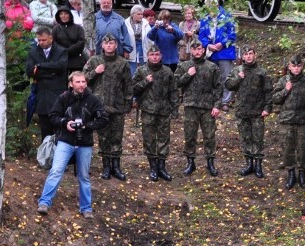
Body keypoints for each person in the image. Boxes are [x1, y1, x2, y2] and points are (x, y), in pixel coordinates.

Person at [36, 71, 109, 219]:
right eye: (78, 82)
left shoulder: (93, 100)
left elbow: (104, 119)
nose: (81, 85)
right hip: (65, 140)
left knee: (84, 176)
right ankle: (44, 202)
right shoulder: (64, 98)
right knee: (56, 171)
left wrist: (87, 126)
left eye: (83, 82)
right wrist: (65, 122)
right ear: (71, 83)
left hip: (85, 143)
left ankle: (86, 208)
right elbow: (53, 116)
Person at [84, 32, 132, 181]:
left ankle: (116, 166)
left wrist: (128, 103)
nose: (109, 45)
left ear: (116, 45)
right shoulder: (94, 60)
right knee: (103, 137)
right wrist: (95, 72)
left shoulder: (122, 63)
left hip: (117, 105)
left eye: (112, 43)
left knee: (117, 136)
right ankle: (106, 166)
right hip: (100, 106)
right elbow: (82, 79)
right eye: (106, 43)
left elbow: (128, 85)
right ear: (102, 45)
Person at [224, 44, 273, 178]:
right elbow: (228, 85)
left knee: (257, 138)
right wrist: (238, 77)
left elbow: (268, 91)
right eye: (246, 54)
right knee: (245, 138)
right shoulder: (237, 70)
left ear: (255, 55)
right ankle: (249, 163)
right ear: (242, 56)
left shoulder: (262, 72)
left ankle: (258, 165)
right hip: (242, 110)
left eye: (250, 54)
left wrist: (267, 108)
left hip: (257, 111)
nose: (248, 56)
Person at [175, 41, 223, 176]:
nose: (197, 51)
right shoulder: (184, 66)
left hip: (207, 107)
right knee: (190, 136)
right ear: (191, 51)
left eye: (199, 49)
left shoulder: (212, 67)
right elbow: (175, 83)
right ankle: (190, 162)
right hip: (190, 106)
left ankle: (210, 163)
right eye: (194, 49)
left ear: (203, 50)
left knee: (209, 136)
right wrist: (188, 75)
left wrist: (217, 105)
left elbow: (218, 87)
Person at [272, 54, 305, 189]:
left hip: (302, 122)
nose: (296, 69)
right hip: (286, 121)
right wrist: (285, 90)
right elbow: (275, 99)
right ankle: (291, 174)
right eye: (293, 66)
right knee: (287, 149)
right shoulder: (283, 81)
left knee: (302, 149)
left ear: (302, 66)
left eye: (299, 66)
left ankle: (302, 174)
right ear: (289, 66)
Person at [133, 45, 177, 181]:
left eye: (157, 54)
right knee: (149, 139)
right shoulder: (141, 71)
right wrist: (145, 81)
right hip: (147, 110)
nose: (155, 57)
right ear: (148, 56)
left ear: (161, 56)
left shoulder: (167, 71)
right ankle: (153, 166)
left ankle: (162, 166)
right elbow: (132, 89)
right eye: (152, 55)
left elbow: (174, 91)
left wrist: (174, 109)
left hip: (164, 110)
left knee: (164, 139)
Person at [25, 26, 67, 140]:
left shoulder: (61, 51)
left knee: (60, 130)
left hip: (58, 95)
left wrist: (40, 66)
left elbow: (61, 67)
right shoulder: (33, 52)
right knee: (45, 131)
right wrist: (51, 72)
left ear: (51, 38)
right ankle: (46, 156)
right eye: (39, 40)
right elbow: (29, 71)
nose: (41, 42)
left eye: (43, 40)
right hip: (42, 95)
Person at [199, 0, 236, 111]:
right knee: (211, 77)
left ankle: (225, 101)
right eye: (208, 2)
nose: (211, 4)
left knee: (225, 77)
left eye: (213, 2)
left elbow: (232, 33)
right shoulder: (205, 18)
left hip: (225, 52)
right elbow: (201, 35)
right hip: (211, 52)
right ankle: (213, 100)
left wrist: (222, 43)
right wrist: (208, 45)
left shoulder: (228, 16)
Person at [53, 6, 86, 75]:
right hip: (61, 60)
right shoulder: (56, 29)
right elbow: (53, 43)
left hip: (76, 61)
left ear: (70, 15)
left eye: (66, 13)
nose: (63, 16)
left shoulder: (78, 28)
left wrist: (67, 51)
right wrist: (62, 52)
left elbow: (81, 42)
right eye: (61, 14)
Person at [127, 6, 153, 75]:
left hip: (142, 49)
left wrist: (150, 51)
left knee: (143, 72)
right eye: (139, 14)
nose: (141, 16)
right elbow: (124, 38)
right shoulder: (126, 23)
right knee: (132, 72)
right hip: (131, 50)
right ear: (132, 14)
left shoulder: (146, 23)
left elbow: (150, 38)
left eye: (142, 14)